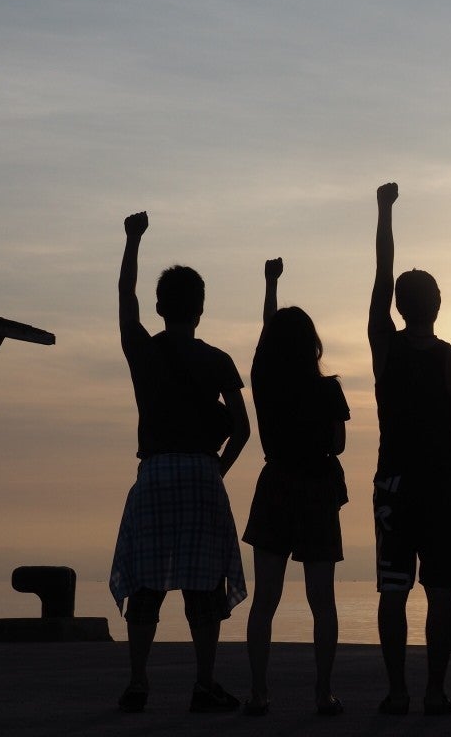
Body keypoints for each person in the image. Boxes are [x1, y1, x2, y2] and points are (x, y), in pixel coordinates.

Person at [109, 211, 250, 713]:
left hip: (154, 474)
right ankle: (204, 684)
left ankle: (138, 682)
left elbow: (124, 296)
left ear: (160, 307)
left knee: (146, 584)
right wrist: (217, 470)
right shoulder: (218, 360)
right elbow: (242, 429)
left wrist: (132, 239)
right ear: (201, 309)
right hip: (202, 476)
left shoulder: (143, 352)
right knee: (203, 585)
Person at [368, 182, 451, 716]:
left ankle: (397, 691)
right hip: (440, 489)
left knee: (394, 590)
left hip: (394, 485)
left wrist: (385, 213)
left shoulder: (385, 348)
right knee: (437, 591)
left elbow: (381, 277)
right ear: (437, 305)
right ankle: (434, 691)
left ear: (398, 306)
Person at [241, 257, 350, 716]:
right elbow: (338, 445)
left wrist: (270, 284)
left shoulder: (264, 382)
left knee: (265, 599)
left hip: (277, 486)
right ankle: (323, 691)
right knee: (322, 601)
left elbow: (266, 336)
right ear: (313, 345)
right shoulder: (328, 390)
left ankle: (258, 692)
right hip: (318, 491)